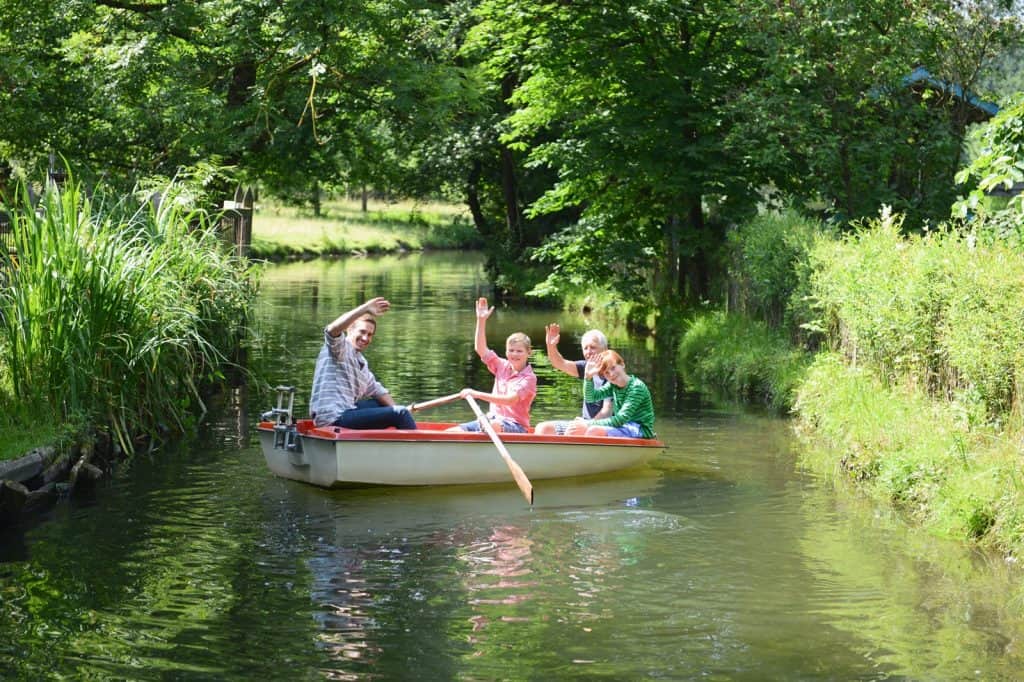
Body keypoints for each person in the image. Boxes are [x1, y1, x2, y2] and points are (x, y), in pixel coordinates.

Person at [308, 297, 417, 430]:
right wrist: (364, 308)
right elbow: (331, 330)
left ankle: (390, 440)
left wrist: (397, 409)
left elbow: (378, 391)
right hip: (333, 417)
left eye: (370, 334)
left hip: (347, 411)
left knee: (384, 405)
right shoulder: (339, 348)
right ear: (350, 330)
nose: (365, 338)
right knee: (400, 413)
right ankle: (419, 447)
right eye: (362, 332)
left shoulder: (360, 361)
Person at [449, 297, 537, 433]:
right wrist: (481, 320)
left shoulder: (529, 378)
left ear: (528, 352)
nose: (514, 354)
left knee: (492, 426)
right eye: (511, 350)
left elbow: (510, 400)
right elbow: (481, 349)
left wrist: (476, 394)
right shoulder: (502, 365)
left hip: (515, 426)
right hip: (490, 420)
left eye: (519, 351)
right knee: (452, 432)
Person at [534, 324, 613, 435]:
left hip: (604, 427)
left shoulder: (613, 374)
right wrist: (551, 346)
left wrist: (586, 425)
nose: (588, 352)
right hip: (585, 423)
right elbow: (559, 363)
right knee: (543, 428)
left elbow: (607, 412)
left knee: (575, 432)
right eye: (585, 348)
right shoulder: (585, 367)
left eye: (593, 347)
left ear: (605, 349)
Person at [575, 350, 655, 439]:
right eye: (606, 373)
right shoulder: (613, 385)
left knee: (593, 430)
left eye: (613, 368)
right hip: (624, 426)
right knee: (576, 428)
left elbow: (620, 419)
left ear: (622, 364)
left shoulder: (636, 387)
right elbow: (591, 398)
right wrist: (588, 377)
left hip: (640, 430)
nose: (611, 374)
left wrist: (588, 423)